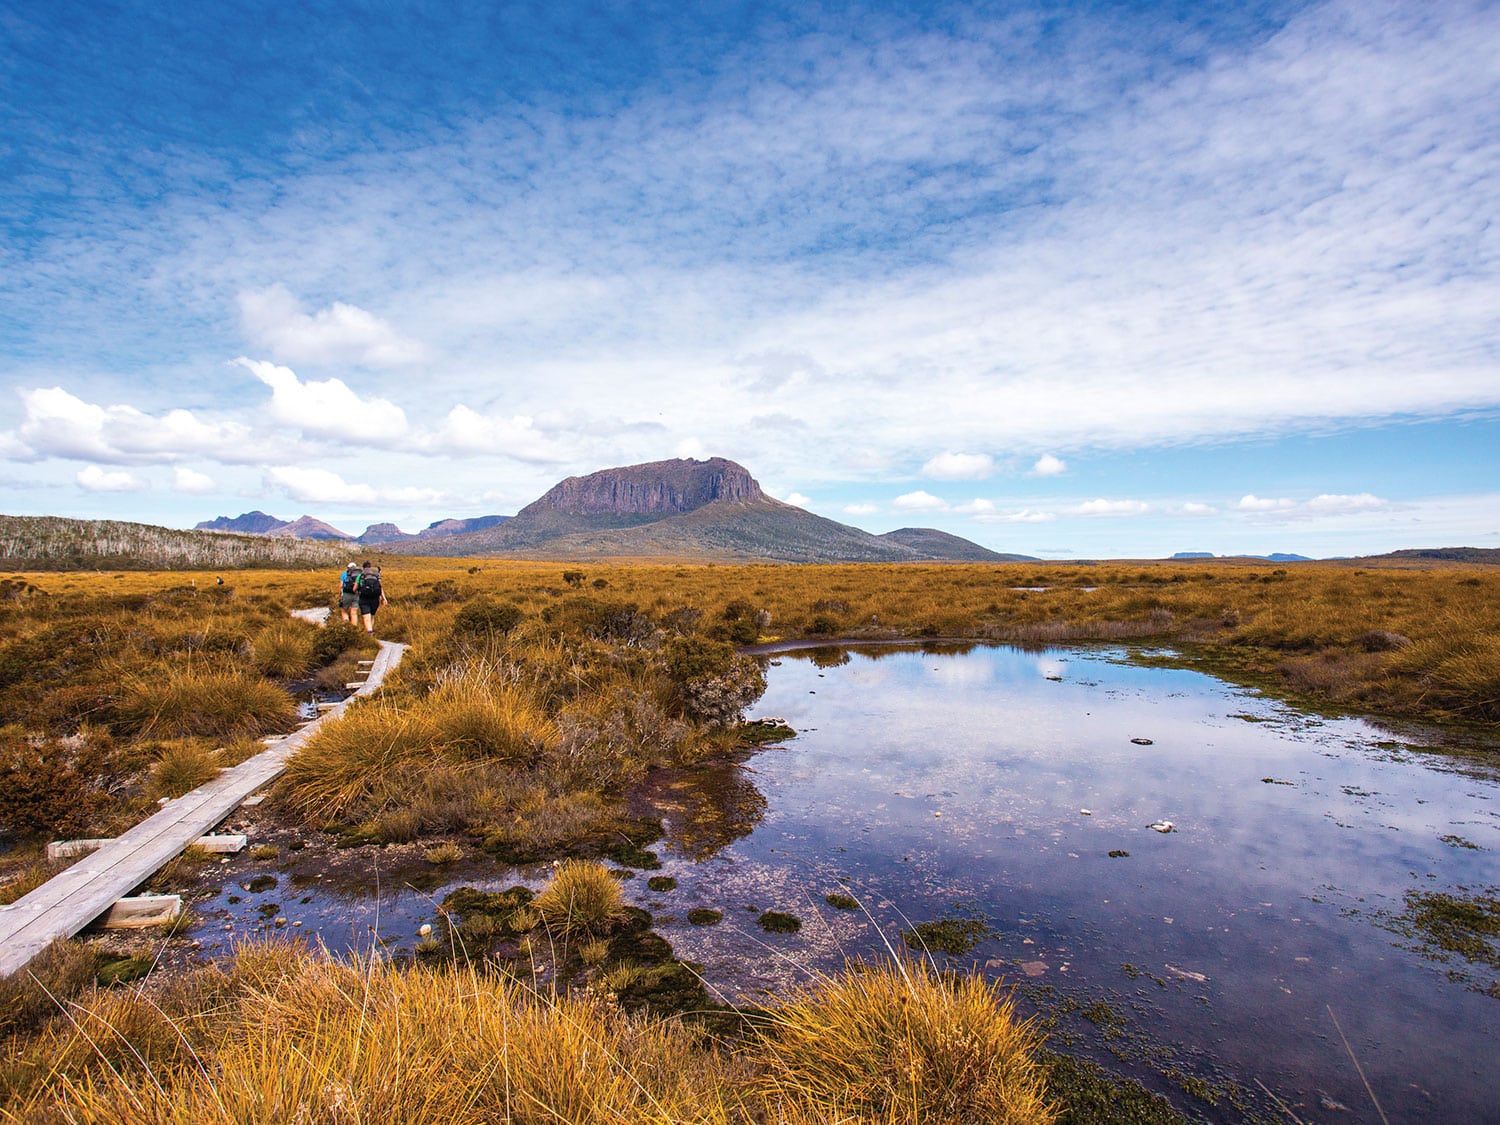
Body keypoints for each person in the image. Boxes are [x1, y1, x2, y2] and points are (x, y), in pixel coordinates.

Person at [356, 560, 387, 636]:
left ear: (363, 568)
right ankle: (371, 631)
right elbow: (380, 587)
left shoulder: (361, 575)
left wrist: (357, 592)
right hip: (375, 598)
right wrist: (384, 598)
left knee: (366, 617)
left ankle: (369, 633)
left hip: (364, 598)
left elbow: (355, 588)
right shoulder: (376, 575)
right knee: (372, 616)